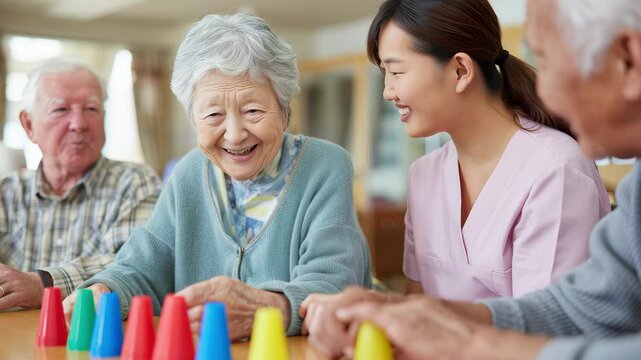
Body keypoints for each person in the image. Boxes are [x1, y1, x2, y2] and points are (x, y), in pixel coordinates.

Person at [301, 0, 641, 358]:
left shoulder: (558, 167)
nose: (547, 93)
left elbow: (577, 325)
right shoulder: (425, 174)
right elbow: (577, 307)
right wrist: (397, 315)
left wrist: (463, 340)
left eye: (550, 61)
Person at [64, 13, 372, 340]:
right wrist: (104, 289)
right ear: (193, 118)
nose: (235, 134)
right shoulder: (188, 174)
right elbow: (141, 269)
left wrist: (267, 309)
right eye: (213, 115)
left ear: (284, 110)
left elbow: (332, 286)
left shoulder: (324, 166)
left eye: (253, 111)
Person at [382, 0, 610, 302]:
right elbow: (416, 305)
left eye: (397, 72)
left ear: (461, 70)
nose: (388, 91)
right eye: (383, 73)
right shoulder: (424, 175)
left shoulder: (557, 171)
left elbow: (545, 330)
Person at [0, 59, 162, 310]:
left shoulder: (135, 183)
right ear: (29, 125)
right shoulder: (7, 192)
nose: (79, 123)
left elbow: (133, 265)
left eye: (91, 109)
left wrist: (42, 284)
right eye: (61, 110)